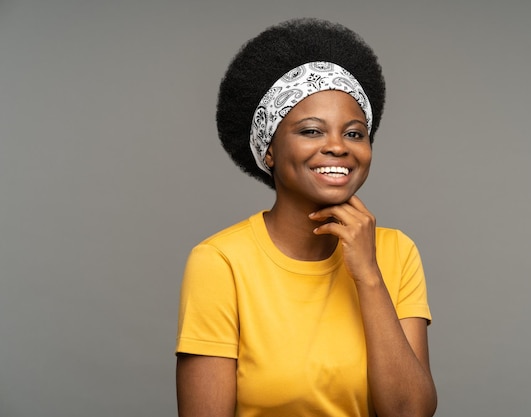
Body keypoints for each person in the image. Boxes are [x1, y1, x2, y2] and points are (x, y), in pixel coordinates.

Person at [175, 17, 437, 417]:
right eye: (312, 131)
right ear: (270, 151)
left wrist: (368, 275)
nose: (337, 147)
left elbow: (410, 413)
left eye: (354, 133)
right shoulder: (221, 262)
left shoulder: (396, 253)